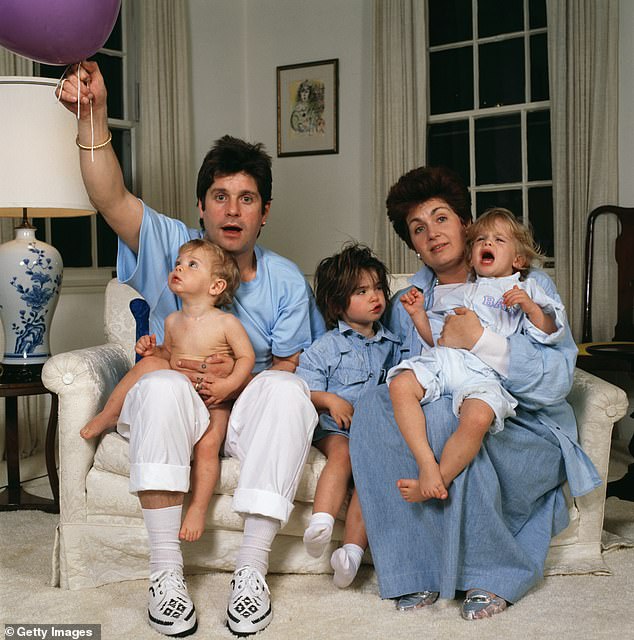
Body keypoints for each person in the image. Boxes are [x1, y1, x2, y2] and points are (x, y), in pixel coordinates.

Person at [58, 61, 325, 637]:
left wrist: (232, 381)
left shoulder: (285, 281)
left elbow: (289, 365)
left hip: (237, 406)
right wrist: (94, 115)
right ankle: (164, 573)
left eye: (247, 198)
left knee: (287, 390)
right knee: (156, 381)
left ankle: (251, 571)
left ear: (264, 212)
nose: (232, 210)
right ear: (200, 207)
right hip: (172, 405)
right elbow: (111, 197)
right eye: (220, 197)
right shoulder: (176, 249)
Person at [348, 166, 601, 621]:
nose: (432, 233)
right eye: (418, 228)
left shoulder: (525, 286)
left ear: (466, 224)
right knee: (372, 405)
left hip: (523, 424)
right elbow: (399, 365)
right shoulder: (413, 300)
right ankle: (413, 570)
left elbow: (555, 381)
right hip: (450, 402)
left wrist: (481, 340)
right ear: (412, 245)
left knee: (450, 417)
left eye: (441, 218)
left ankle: (490, 570)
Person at [80, 238, 255, 542]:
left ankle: (198, 508)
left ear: (215, 286)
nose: (179, 268)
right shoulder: (173, 321)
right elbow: (168, 357)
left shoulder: (226, 323)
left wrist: (228, 384)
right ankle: (110, 413)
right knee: (148, 367)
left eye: (191, 265)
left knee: (208, 446)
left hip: (215, 401)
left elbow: (246, 358)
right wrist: (152, 350)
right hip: (180, 400)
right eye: (178, 263)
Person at [388, 208, 566, 502]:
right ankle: (425, 463)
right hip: (451, 361)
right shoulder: (463, 291)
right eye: (481, 239)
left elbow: (550, 330)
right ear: (471, 257)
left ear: (518, 260)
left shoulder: (528, 287)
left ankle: (438, 480)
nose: (488, 243)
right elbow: (438, 338)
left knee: (479, 418)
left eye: (499, 240)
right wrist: (419, 315)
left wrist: (531, 308)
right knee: (400, 385)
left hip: (486, 374)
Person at [295, 243, 401, 588]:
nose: (375, 297)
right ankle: (321, 522)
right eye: (361, 291)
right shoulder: (325, 346)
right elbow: (303, 390)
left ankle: (351, 553)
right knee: (342, 456)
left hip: (372, 433)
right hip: (334, 430)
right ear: (338, 304)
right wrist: (330, 399)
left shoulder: (393, 345)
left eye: (378, 289)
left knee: (371, 480)